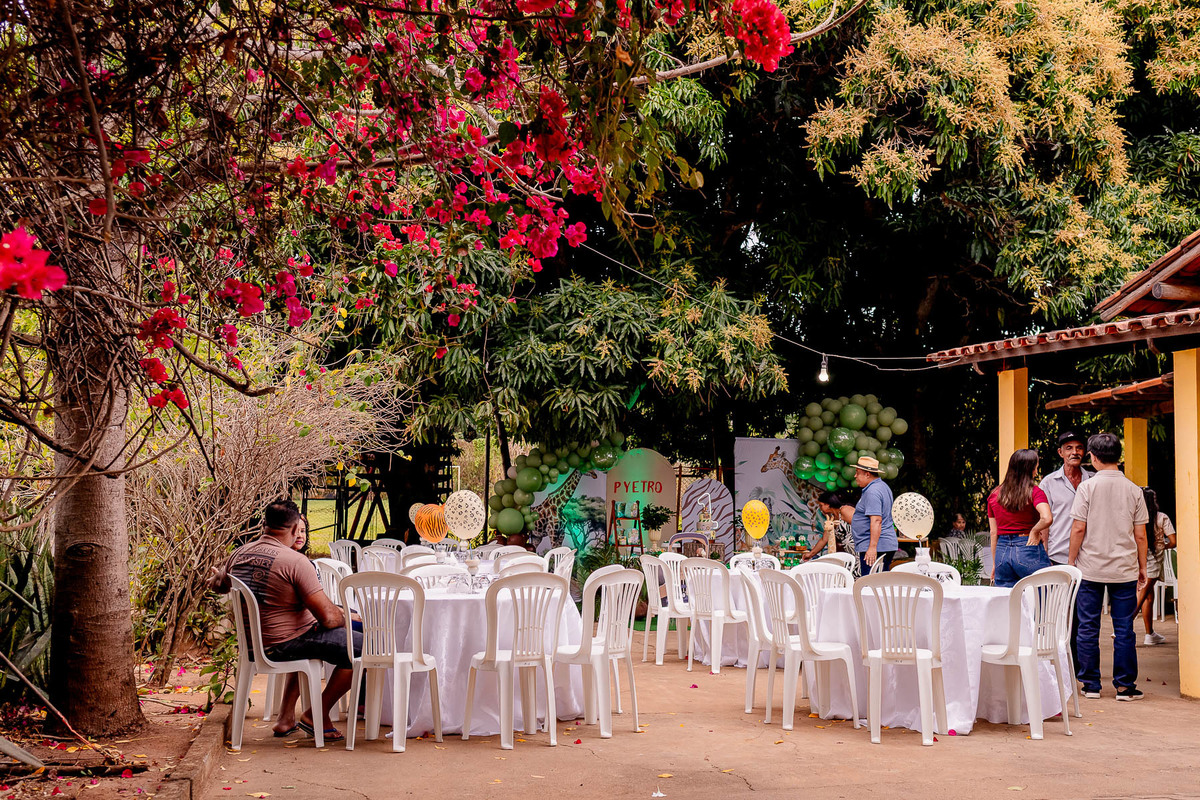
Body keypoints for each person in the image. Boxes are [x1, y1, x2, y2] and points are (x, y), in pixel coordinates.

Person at [225, 500, 362, 739]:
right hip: (284, 644)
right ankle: (316, 713)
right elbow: (329, 620)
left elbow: (220, 583)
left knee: (316, 633)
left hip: (254, 644)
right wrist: (347, 617)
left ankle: (286, 718)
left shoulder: (238, 554)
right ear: (294, 529)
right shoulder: (295, 561)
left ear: (264, 525)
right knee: (363, 646)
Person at [1069, 432, 1148, 701]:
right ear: (1118, 456)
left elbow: (1079, 528)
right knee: (1124, 628)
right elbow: (1140, 535)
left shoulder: (1087, 488)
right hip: (1124, 570)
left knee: (1087, 627)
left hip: (1090, 569)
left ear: (1092, 456)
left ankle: (1090, 685)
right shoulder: (1134, 490)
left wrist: (1071, 562)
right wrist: (1142, 567)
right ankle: (1125, 687)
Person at [987, 449, 1053, 588]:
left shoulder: (994, 495)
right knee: (1043, 596)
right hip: (1027, 547)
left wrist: (995, 563)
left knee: (1006, 601)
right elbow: (1046, 518)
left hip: (1002, 551)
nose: (1036, 469)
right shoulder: (1035, 492)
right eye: (1036, 466)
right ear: (1030, 469)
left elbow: (994, 533)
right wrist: (1035, 531)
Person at [1039, 430, 1093, 565]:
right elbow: (1044, 520)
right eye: (1069, 448)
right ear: (1060, 452)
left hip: (1089, 557)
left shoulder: (1094, 481)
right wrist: (1045, 554)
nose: (1075, 452)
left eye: (1079, 448)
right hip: (1057, 556)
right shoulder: (1048, 482)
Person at [1136, 488, 1176, 645]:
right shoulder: (1161, 518)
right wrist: (1162, 546)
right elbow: (1173, 542)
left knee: (1148, 596)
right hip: (1153, 563)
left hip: (1138, 560)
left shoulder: (1136, 518)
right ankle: (1121, 629)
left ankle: (1149, 634)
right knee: (1140, 598)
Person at [850, 456, 897, 574]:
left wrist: (872, 547)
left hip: (876, 545)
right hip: (882, 544)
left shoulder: (872, 492)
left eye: (857, 473)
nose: (855, 476)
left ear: (867, 474)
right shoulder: (882, 486)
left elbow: (876, 520)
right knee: (879, 585)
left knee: (870, 586)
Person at [805, 491, 857, 574]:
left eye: (821, 505)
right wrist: (810, 554)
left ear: (828, 504)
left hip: (859, 551)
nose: (820, 508)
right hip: (849, 555)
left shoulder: (845, 510)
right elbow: (824, 539)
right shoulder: (831, 518)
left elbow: (863, 527)